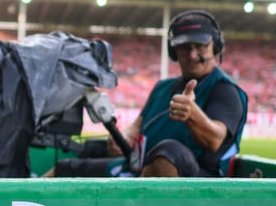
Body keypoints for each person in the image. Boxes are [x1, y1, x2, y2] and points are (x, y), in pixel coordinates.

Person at [50, 10, 247, 178]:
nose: (193, 55)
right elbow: (135, 130)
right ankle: (22, 204)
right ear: (174, 52)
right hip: (141, 169)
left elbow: (214, 141)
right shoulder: (163, 88)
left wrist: (192, 114)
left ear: (216, 46)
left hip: (197, 183)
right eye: (185, 48)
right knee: (66, 167)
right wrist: (123, 139)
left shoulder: (226, 91)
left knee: (169, 150)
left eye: (200, 46)